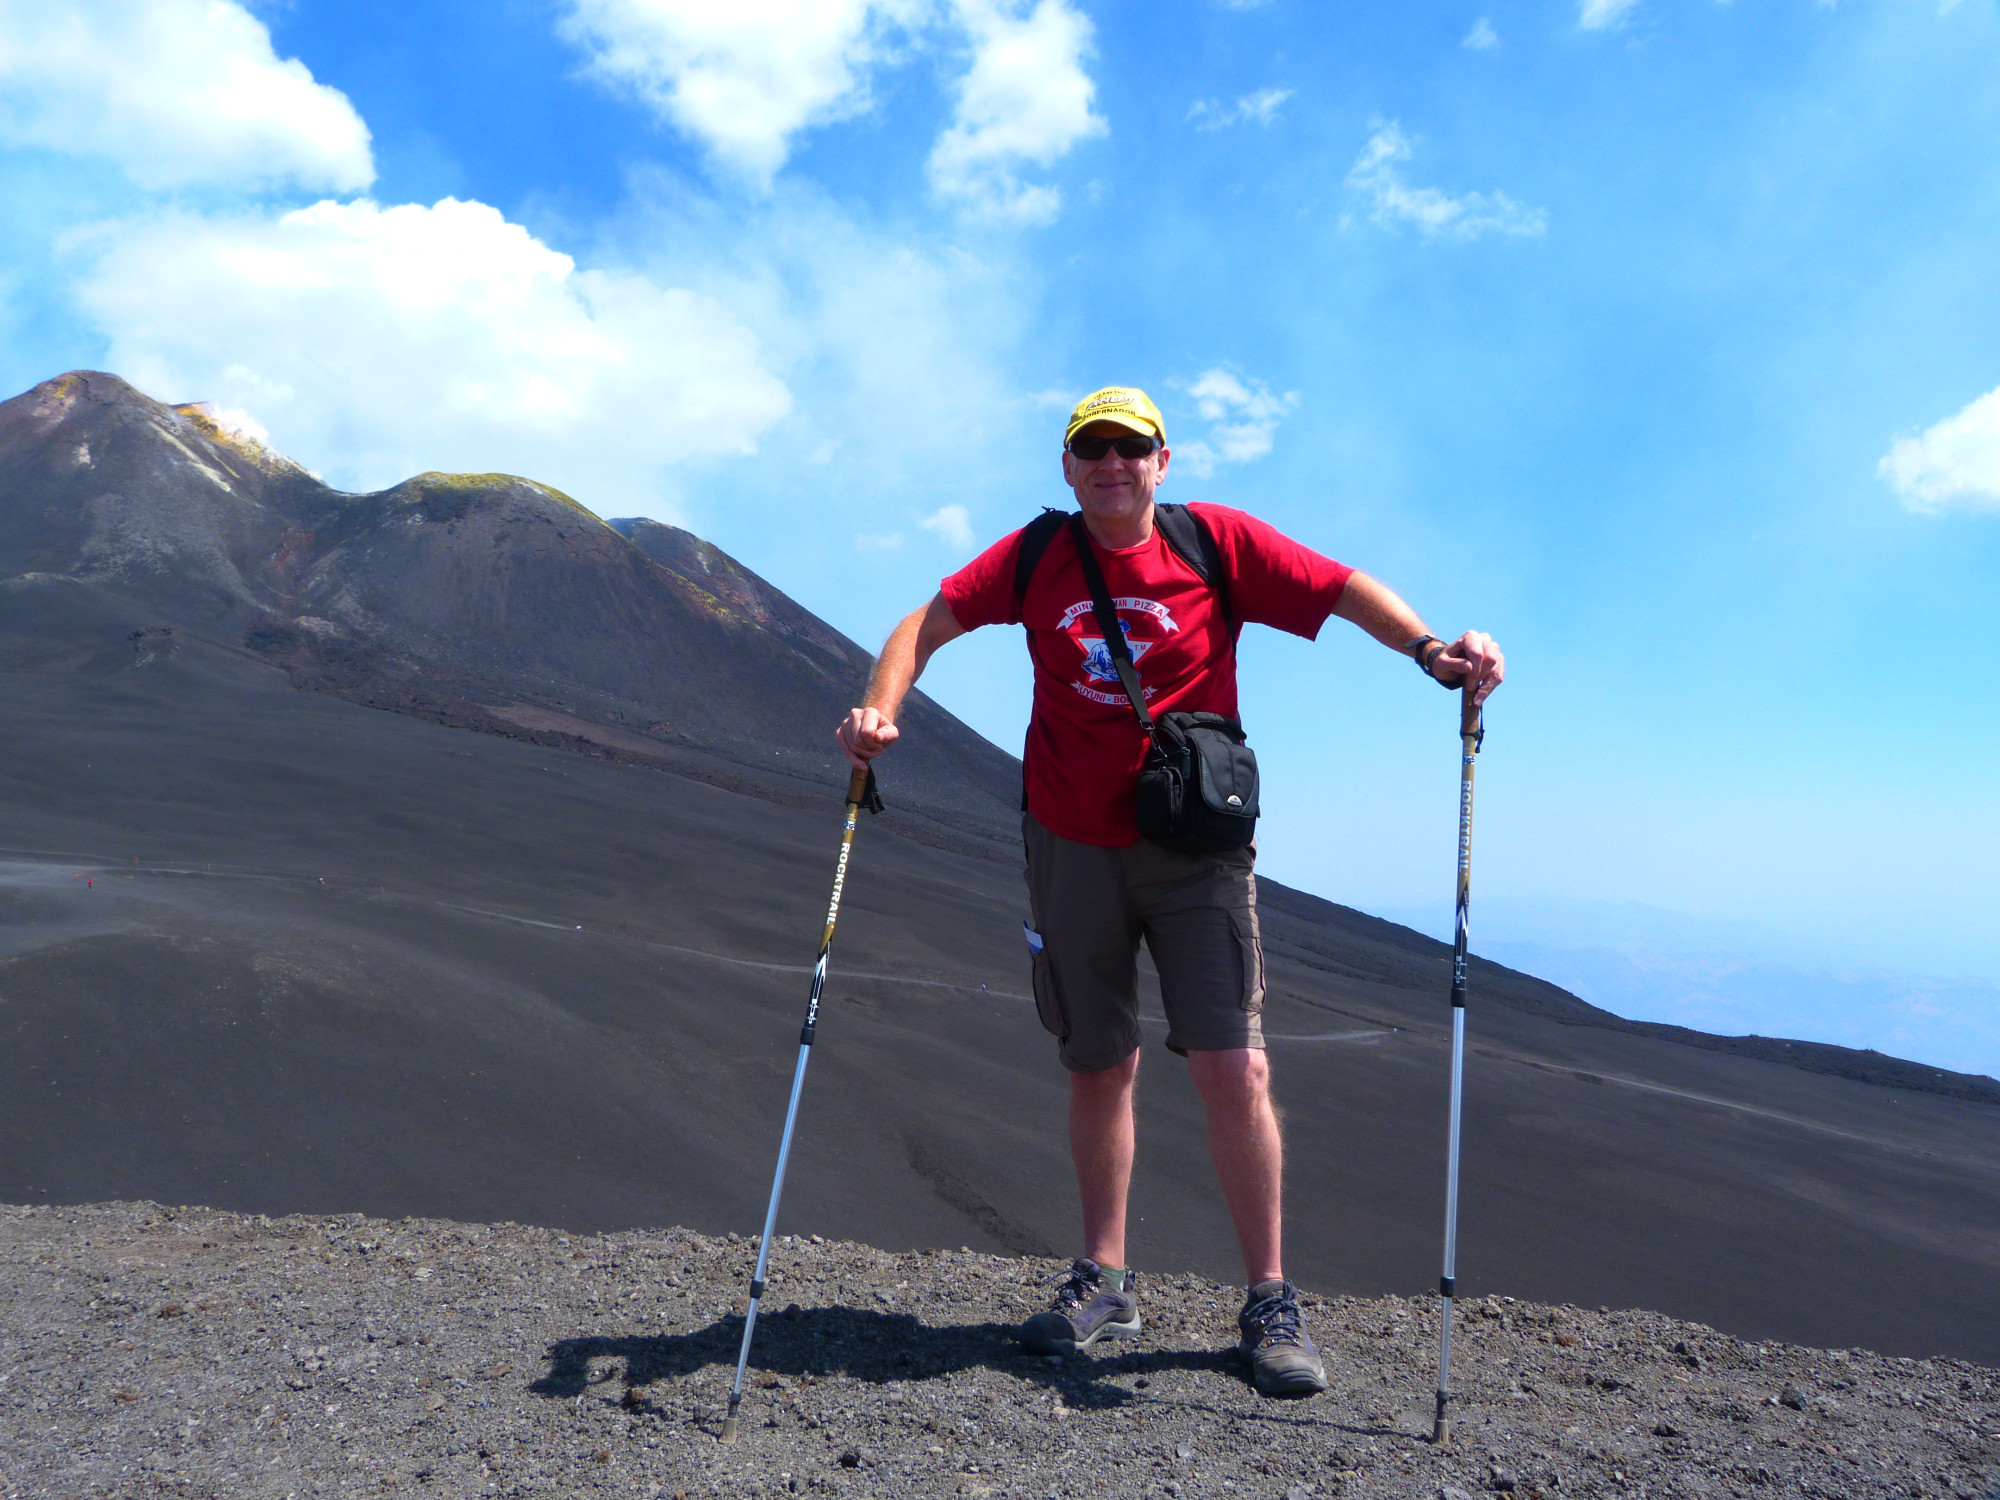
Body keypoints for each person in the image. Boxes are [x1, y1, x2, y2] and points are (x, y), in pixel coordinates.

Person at [836, 385, 1503, 1397]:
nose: (1111, 463)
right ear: (1067, 467)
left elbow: (1335, 587)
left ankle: (1268, 1299)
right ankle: (1102, 1279)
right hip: (1066, 844)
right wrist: (878, 713)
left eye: (1130, 447)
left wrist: (1426, 653)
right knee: (1095, 1062)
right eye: (1091, 448)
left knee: (1232, 1070)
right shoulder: (1035, 556)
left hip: (1193, 849)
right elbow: (920, 626)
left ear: (1162, 460)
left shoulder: (1213, 543)